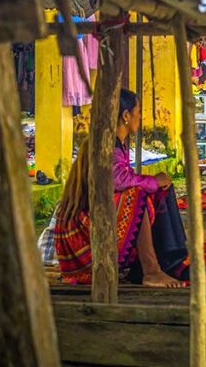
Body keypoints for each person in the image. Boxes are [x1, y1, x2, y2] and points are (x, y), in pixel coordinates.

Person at [54, 89, 188, 288]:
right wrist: (153, 181)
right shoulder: (106, 144)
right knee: (138, 195)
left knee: (162, 189)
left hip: (96, 214)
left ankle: (172, 259)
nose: (140, 117)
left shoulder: (118, 143)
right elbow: (118, 181)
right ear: (126, 115)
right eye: (138, 111)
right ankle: (151, 271)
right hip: (82, 228)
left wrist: (157, 183)